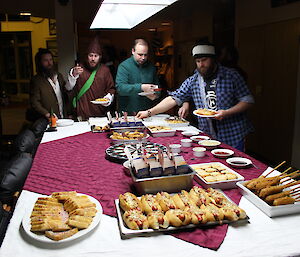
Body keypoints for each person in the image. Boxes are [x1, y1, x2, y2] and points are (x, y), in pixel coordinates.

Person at [137, 43, 254, 151]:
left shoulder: (231, 75)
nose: (201, 65)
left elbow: (247, 101)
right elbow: (174, 98)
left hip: (233, 134)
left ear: (213, 59)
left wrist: (226, 112)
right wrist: (148, 112)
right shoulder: (193, 80)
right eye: (198, 61)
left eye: (204, 60)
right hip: (208, 135)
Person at [67, 37, 115, 120]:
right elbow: (68, 88)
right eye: (91, 55)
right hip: (82, 111)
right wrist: (73, 74)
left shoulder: (105, 70)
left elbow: (111, 89)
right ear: (87, 56)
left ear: (100, 57)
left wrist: (108, 98)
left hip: (100, 111)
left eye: (96, 56)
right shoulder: (78, 69)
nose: (93, 59)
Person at [115, 38, 160, 114]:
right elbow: (120, 88)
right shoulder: (124, 66)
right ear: (133, 51)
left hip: (147, 112)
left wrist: (156, 95)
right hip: (128, 113)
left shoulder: (151, 67)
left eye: (145, 55)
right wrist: (141, 87)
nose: (143, 58)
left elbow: (158, 87)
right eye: (140, 54)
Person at [29, 48, 69, 120]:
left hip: (62, 117)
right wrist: (47, 114)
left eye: (50, 60)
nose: (49, 63)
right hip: (48, 119)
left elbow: (66, 94)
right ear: (40, 62)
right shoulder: (36, 80)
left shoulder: (59, 76)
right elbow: (34, 102)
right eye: (45, 60)